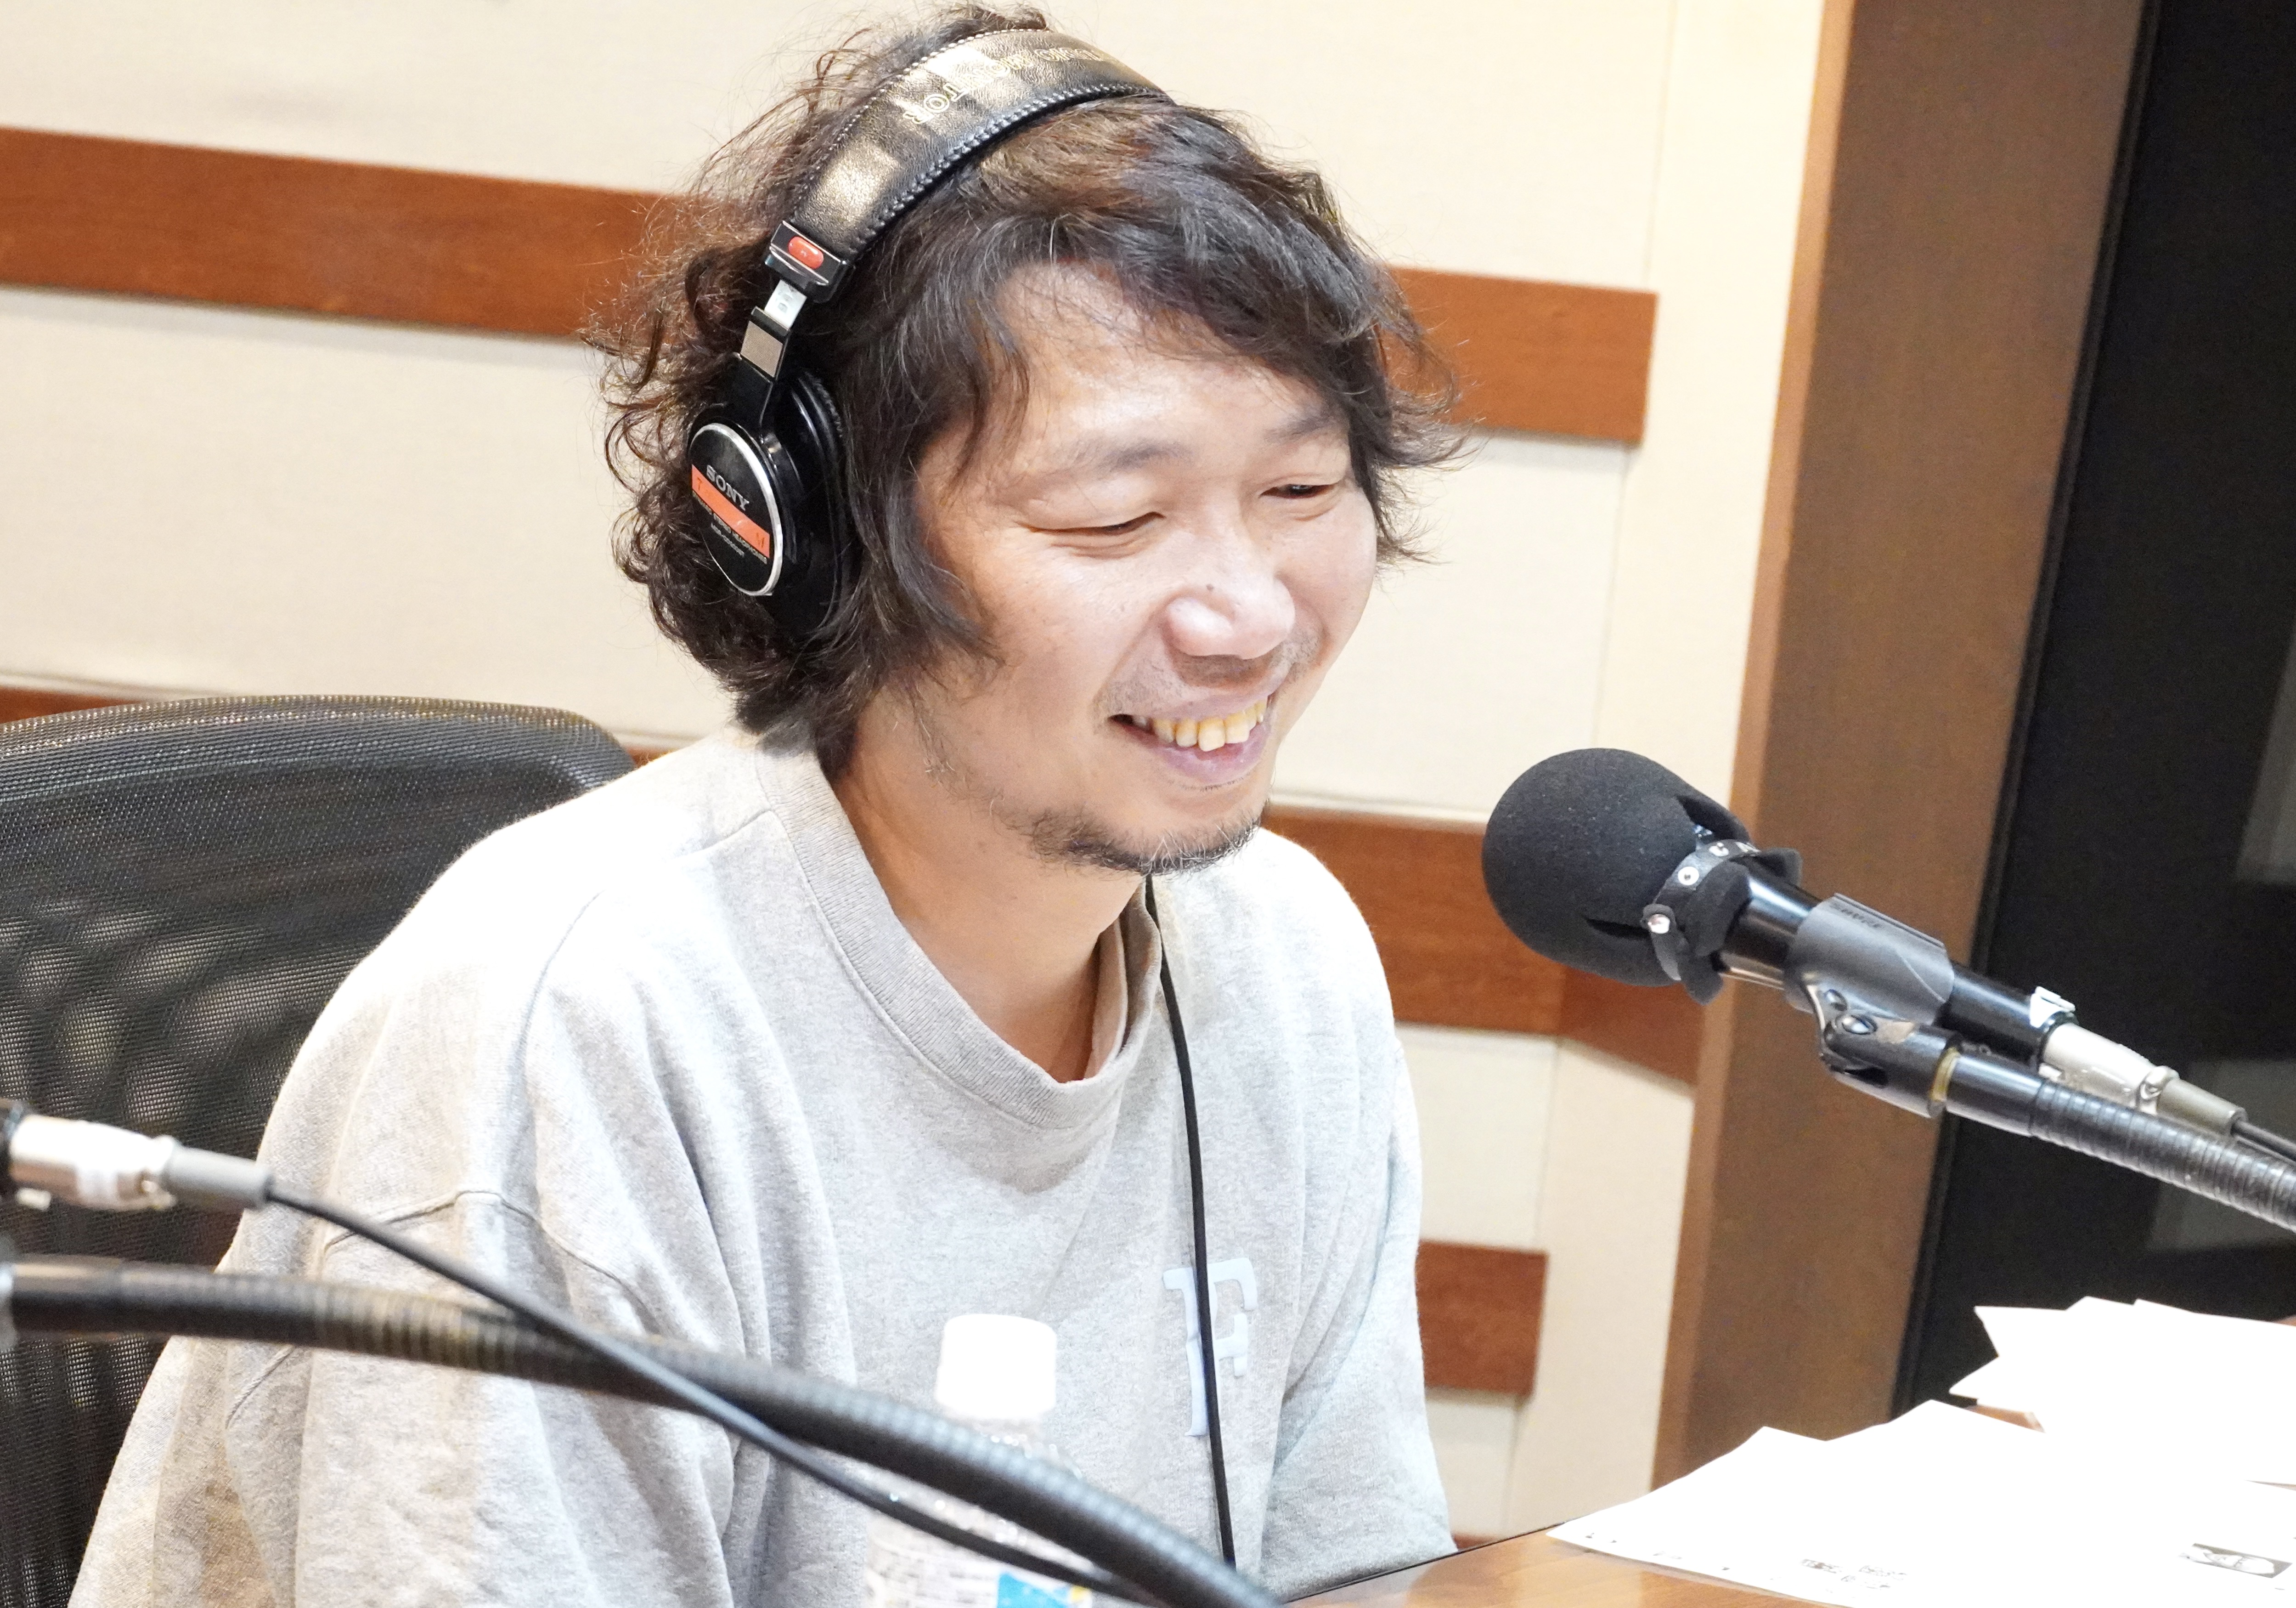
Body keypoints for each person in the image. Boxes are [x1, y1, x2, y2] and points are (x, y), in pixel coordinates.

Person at [75, 6, 1458, 1604]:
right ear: (817, 541)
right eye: (1114, 517)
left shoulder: (1284, 961)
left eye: (1300, 491)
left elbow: (1352, 1575)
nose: (1249, 615)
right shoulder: (569, 1031)